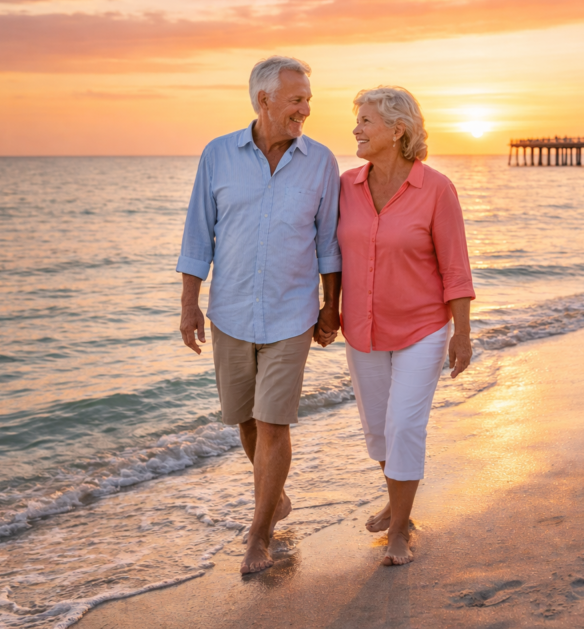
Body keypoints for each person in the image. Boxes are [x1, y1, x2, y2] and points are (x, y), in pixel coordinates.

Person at [176, 56, 342, 575]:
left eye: (308, 100)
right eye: (297, 100)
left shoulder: (321, 161)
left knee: (273, 423)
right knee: (244, 419)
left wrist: (330, 306)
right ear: (264, 100)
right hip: (229, 312)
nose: (306, 109)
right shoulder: (218, 155)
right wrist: (189, 304)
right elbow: (198, 235)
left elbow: (329, 242)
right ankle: (276, 496)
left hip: (292, 314)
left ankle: (259, 535)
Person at [336, 86, 475, 566]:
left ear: (397, 131)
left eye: (366, 121)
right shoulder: (346, 186)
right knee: (378, 431)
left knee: (404, 425)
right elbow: (328, 254)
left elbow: (455, 267)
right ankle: (400, 503)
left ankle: (399, 531)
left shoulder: (436, 189)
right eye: (357, 120)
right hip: (363, 330)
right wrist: (325, 309)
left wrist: (462, 333)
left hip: (423, 328)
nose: (356, 129)